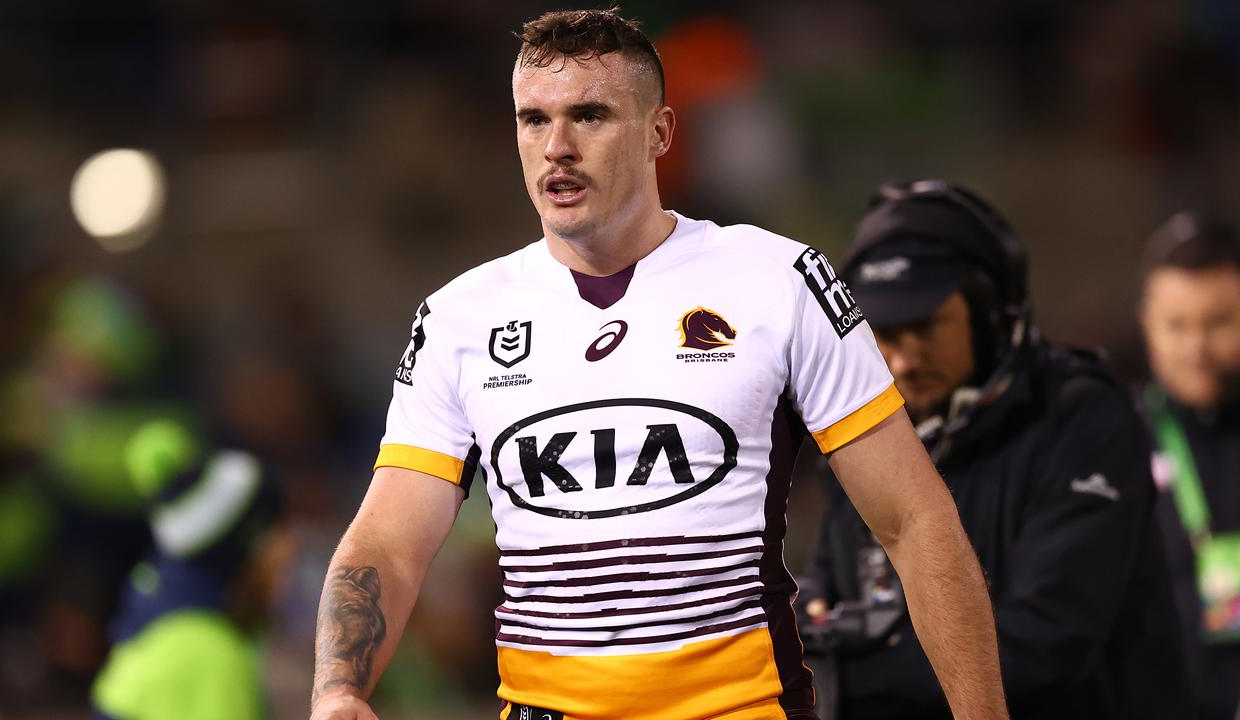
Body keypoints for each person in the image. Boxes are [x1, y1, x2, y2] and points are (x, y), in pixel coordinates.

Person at [310, 11, 1008, 720]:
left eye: (590, 115)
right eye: (533, 119)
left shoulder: (780, 281)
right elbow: (389, 545)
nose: (557, 147)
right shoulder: (459, 317)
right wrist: (337, 690)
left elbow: (915, 521)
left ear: (660, 133)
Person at [801, 179, 1191, 720]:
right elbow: (832, 579)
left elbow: (1042, 646)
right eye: (884, 335)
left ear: (990, 313)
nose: (905, 359)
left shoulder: (1085, 417)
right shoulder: (869, 428)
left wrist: (840, 672)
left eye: (925, 326)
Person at [91, 420, 291, 720]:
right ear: (244, 553)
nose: (288, 557)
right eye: (277, 539)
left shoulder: (171, 625)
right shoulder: (208, 653)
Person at [1140, 212, 1240, 720]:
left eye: (1218, 322)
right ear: (1146, 324)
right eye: (1177, 326)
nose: (1197, 348)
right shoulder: (1117, 443)